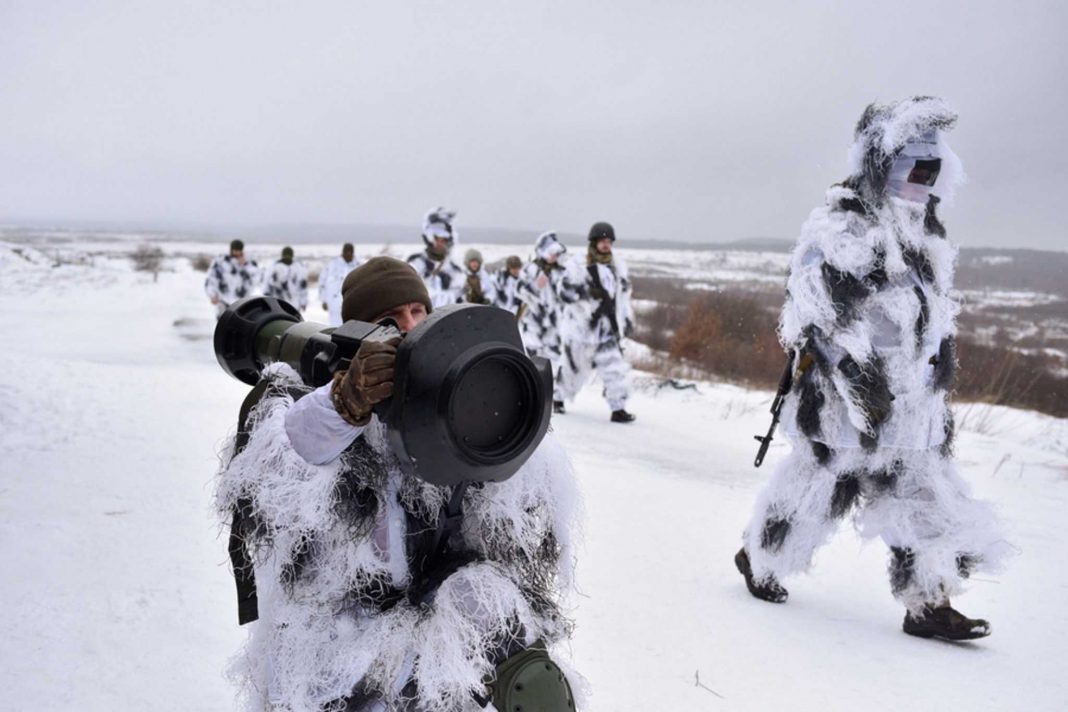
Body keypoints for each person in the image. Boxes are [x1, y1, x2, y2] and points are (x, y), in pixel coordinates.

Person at [215, 256, 579, 712]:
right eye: (388, 320)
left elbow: (513, 513)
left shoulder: (449, 402)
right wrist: (346, 405)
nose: (408, 327)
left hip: (432, 625)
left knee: (512, 642)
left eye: (417, 312)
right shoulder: (309, 406)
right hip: (338, 641)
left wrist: (507, 422)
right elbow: (282, 476)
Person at [734, 97, 1011, 640]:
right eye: (915, 167)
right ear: (882, 164)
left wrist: (933, 385)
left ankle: (928, 603)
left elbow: (930, 321)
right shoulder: (843, 229)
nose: (923, 180)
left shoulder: (923, 234)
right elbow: (815, 315)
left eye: (933, 170)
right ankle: (760, 559)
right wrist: (859, 383)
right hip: (844, 411)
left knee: (928, 500)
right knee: (816, 492)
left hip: (913, 412)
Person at [555, 222, 636, 423]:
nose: (606, 245)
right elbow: (563, 293)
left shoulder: (617, 266)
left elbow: (623, 297)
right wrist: (585, 292)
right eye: (602, 241)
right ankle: (557, 400)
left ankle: (618, 408)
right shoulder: (578, 264)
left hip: (607, 329)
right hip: (580, 329)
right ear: (594, 242)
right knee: (571, 369)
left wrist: (626, 319)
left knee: (615, 369)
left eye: (609, 241)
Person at [515, 232, 580, 414]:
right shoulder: (531, 269)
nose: (553, 257)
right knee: (531, 359)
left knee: (554, 362)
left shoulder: (562, 272)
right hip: (534, 322)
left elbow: (570, 296)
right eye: (550, 253)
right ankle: (529, 396)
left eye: (555, 254)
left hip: (554, 324)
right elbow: (519, 290)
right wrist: (536, 286)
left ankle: (555, 398)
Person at [407, 207, 464, 308]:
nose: (439, 243)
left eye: (444, 240)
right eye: (436, 238)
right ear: (428, 237)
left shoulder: (455, 271)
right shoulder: (415, 264)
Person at [205, 239, 261, 319]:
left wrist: (245, 265)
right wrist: (212, 295)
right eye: (235, 250)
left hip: (241, 302)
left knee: (239, 326)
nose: (237, 253)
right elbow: (212, 278)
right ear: (231, 250)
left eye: (239, 250)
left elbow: (257, 277)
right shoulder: (222, 261)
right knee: (223, 325)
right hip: (223, 301)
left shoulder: (249, 261)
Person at [319, 243, 361, 326]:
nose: (348, 254)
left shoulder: (358, 267)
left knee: (350, 329)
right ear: (343, 252)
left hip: (352, 305)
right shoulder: (332, 265)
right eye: (346, 252)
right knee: (335, 329)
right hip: (334, 304)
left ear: (353, 253)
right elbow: (322, 283)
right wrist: (323, 300)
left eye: (350, 252)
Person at [264, 246, 309, 312]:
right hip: (277, 304)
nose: (287, 257)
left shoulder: (298, 268)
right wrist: (266, 302)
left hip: (294, 305)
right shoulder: (274, 268)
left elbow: (303, 287)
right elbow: (267, 286)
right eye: (286, 255)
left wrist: (303, 302)